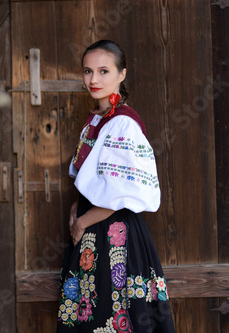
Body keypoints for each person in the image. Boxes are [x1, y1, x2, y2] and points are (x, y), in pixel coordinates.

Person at [57, 40, 176, 333]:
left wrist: (81, 222)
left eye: (103, 71)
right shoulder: (99, 120)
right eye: (87, 71)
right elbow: (98, 180)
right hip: (94, 228)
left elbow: (119, 193)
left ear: (122, 74)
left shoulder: (123, 125)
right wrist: (77, 206)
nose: (94, 79)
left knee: (115, 312)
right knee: (92, 312)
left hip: (113, 233)